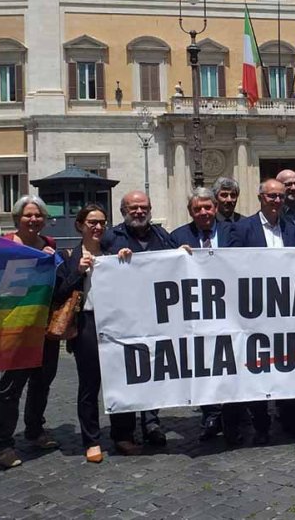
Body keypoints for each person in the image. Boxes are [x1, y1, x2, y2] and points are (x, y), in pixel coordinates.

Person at [225, 179, 295, 446]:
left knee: (288, 366)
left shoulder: (294, 228)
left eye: (281, 197)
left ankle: (289, 420)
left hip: (288, 309)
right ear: (260, 197)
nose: (277, 201)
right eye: (271, 196)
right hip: (256, 309)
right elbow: (233, 265)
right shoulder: (242, 228)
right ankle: (261, 425)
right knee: (257, 368)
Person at [102, 191, 177, 450]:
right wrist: (115, 260)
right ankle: (123, 432)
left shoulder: (161, 236)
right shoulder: (111, 237)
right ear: (123, 211)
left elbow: (175, 263)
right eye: (133, 208)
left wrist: (185, 255)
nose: (139, 212)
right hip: (123, 318)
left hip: (156, 317)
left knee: (153, 371)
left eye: (143, 207)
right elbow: (99, 269)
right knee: (125, 373)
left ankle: (152, 423)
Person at [0, 195, 61, 470]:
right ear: (17, 219)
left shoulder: (50, 244)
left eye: (38, 216)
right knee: (10, 387)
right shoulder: (4, 244)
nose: (33, 220)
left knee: (42, 381)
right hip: (13, 327)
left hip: (44, 325)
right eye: (28, 215)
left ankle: (34, 430)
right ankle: (4, 444)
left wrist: (53, 261)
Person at [169, 187, 236, 442]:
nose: (204, 212)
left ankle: (232, 420)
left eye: (208, 207)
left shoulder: (234, 232)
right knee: (205, 364)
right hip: (197, 312)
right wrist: (177, 258)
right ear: (190, 212)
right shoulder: (177, 237)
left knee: (231, 363)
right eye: (198, 209)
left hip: (231, 310)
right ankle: (210, 415)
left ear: (216, 209)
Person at [54, 204, 111, 463]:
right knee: (89, 384)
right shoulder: (69, 256)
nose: (98, 227)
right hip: (86, 323)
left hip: (114, 322)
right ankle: (92, 440)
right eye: (92, 222)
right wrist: (78, 272)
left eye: (101, 222)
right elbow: (58, 293)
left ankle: (123, 434)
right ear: (80, 225)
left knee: (120, 379)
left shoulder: (112, 254)